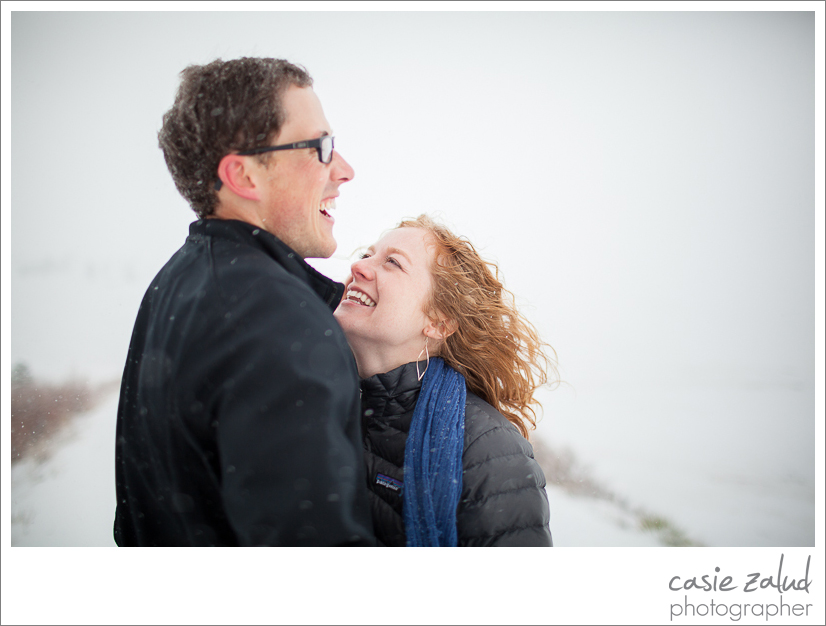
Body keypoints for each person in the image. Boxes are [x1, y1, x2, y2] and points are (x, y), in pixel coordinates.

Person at [114, 57, 374, 546]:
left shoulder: (178, 284)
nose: (344, 170)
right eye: (320, 147)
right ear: (245, 176)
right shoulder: (276, 322)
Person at [333, 214, 556, 546]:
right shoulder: (318, 403)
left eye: (392, 262)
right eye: (367, 255)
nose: (359, 267)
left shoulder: (488, 449)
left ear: (438, 322)